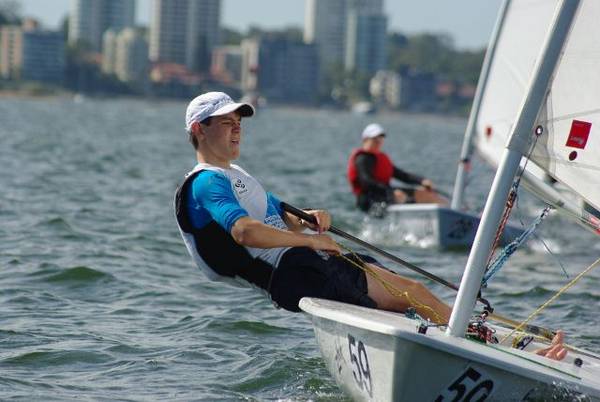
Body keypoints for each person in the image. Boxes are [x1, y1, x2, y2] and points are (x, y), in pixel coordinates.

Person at [174, 91, 566, 359]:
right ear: (198, 130)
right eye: (225, 123)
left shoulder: (236, 175)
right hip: (296, 271)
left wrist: (311, 218)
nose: (236, 129)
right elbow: (244, 231)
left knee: (410, 300)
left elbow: (280, 215)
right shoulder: (206, 182)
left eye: (238, 122)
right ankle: (507, 349)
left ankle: (485, 346)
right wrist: (311, 243)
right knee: (412, 293)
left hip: (306, 264)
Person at [347, 123, 448, 214]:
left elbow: (402, 176)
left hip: (384, 193)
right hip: (369, 199)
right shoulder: (362, 159)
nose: (378, 142)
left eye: (380, 139)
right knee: (401, 196)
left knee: (425, 194)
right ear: (365, 140)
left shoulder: (380, 158)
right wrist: (390, 192)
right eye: (375, 139)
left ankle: (448, 214)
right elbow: (367, 182)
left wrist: (422, 181)